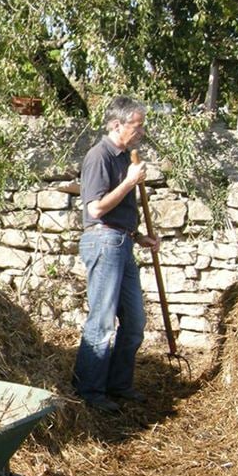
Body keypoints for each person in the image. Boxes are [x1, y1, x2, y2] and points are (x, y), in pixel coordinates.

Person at [72, 95, 161, 413]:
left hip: (122, 243)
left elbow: (119, 211)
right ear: (116, 124)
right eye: (137, 126)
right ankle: (89, 391)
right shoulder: (99, 156)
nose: (141, 132)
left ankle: (119, 385)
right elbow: (96, 209)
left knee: (135, 322)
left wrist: (139, 236)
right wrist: (129, 183)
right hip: (103, 243)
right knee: (103, 321)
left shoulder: (126, 158)